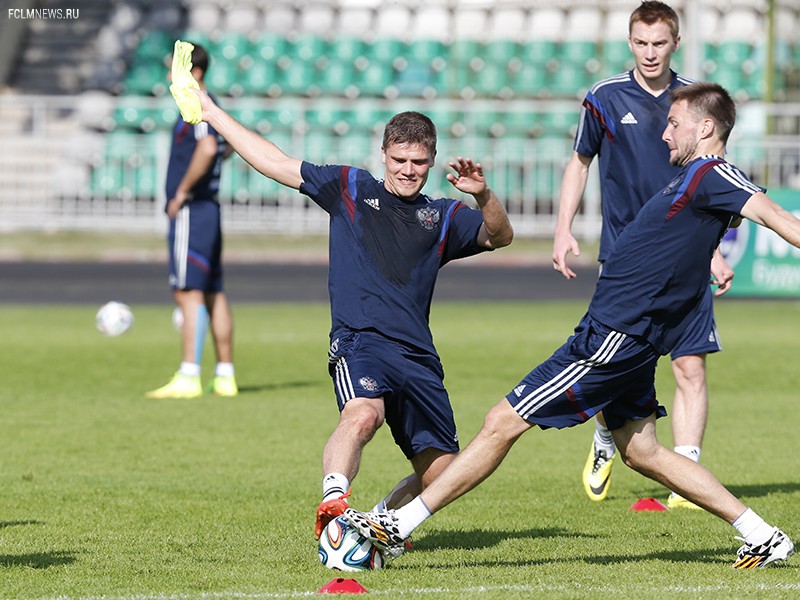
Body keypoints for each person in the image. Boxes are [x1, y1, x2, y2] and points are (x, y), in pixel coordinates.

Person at [344, 82, 796, 570]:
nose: (664, 133)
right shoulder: (696, 179)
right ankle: (762, 534)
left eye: (674, 123)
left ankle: (396, 526)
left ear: (705, 127)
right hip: (629, 335)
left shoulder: (713, 173)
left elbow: (772, 214)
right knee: (642, 452)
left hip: (613, 338)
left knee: (501, 421)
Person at [189, 91, 514, 539]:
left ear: (433, 160)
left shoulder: (442, 215)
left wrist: (484, 196)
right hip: (361, 342)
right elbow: (274, 161)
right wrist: (211, 112)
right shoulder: (350, 188)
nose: (407, 170)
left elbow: (500, 236)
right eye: (399, 159)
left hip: (419, 358)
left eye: (418, 162)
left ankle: (379, 520)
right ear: (383, 154)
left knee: (444, 476)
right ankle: (333, 506)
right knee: (362, 415)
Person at [552, 1, 733, 508]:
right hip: (627, 259)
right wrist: (563, 228)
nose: (650, 53)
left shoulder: (697, 102)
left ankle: (687, 473)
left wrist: (713, 250)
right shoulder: (605, 97)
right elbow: (580, 162)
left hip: (687, 258)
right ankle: (608, 438)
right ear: (629, 42)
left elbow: (720, 183)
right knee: (624, 367)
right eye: (640, 42)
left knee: (691, 365)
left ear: (676, 42)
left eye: (659, 43)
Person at [146, 42, 238, 399]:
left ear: (193, 71)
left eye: (175, 68)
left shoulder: (195, 103)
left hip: (194, 209)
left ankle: (189, 374)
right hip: (210, 209)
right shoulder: (212, 104)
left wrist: (181, 192)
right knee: (214, 291)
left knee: (188, 291)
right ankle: (225, 375)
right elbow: (226, 145)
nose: (170, 76)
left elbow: (209, 147)